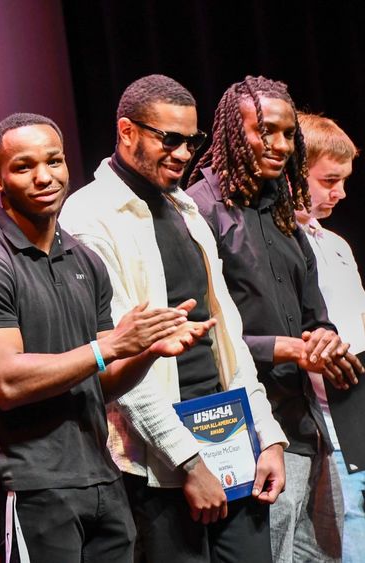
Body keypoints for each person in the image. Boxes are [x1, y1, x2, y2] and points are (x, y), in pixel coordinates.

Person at [0, 112, 215, 562]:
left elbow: (101, 380)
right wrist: (109, 346)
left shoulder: (83, 259)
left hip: (100, 479)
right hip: (32, 485)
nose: (44, 177)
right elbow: (8, 383)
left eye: (54, 161)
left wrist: (146, 352)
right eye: (24, 166)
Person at [60, 74, 288, 563]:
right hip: (160, 466)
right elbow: (120, 360)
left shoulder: (184, 207)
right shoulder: (88, 216)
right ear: (126, 132)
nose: (185, 154)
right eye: (171, 139)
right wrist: (187, 462)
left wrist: (265, 436)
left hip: (231, 441)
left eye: (192, 141)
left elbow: (228, 336)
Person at [187, 75, 364, 563]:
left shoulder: (286, 215)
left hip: (301, 425)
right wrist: (281, 348)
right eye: (265, 131)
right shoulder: (200, 212)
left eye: (288, 134)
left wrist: (325, 342)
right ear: (230, 132)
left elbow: (317, 317)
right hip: (239, 432)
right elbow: (198, 332)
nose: (280, 145)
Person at [295, 112, 365, 563]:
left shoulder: (336, 244)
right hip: (319, 417)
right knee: (338, 534)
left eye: (343, 181)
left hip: (357, 408)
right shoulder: (282, 242)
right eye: (328, 180)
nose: (338, 193)